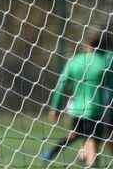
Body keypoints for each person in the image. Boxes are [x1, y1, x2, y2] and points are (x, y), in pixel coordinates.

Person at [42, 31, 113, 167]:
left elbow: (61, 86)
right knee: (92, 141)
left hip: (77, 109)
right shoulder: (107, 62)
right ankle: (90, 162)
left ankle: (53, 153)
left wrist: (55, 108)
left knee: (77, 135)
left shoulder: (74, 61)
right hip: (97, 110)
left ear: (87, 45)